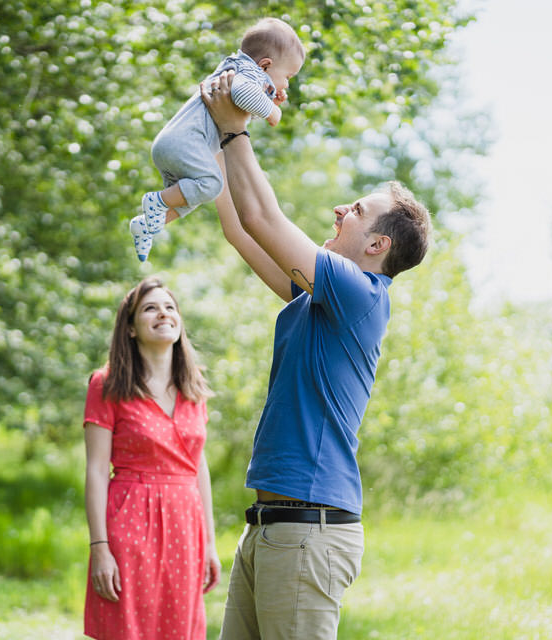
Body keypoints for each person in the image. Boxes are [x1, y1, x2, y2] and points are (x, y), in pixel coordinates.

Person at [200, 71, 433, 640]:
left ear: (378, 245)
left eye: (353, 210)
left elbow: (264, 218)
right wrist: (210, 135)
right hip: (271, 528)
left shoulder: (359, 293)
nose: (337, 209)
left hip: (309, 531)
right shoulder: (317, 297)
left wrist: (236, 132)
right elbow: (240, 229)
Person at [83, 277, 221, 640]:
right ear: (130, 327)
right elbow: (97, 470)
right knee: (128, 628)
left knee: (178, 629)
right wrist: (100, 548)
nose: (163, 313)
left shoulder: (193, 388)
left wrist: (209, 544)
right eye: (150, 308)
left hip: (185, 523)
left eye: (170, 307)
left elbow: (198, 467)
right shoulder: (107, 384)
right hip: (129, 519)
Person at [130, 17, 305, 262]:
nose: (286, 84)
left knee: (190, 197)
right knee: (211, 185)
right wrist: (274, 112)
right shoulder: (246, 74)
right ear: (265, 66)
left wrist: (266, 100)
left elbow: (237, 108)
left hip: (177, 145)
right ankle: (155, 200)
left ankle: (145, 225)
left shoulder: (239, 70)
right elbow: (242, 93)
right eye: (288, 76)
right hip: (184, 144)